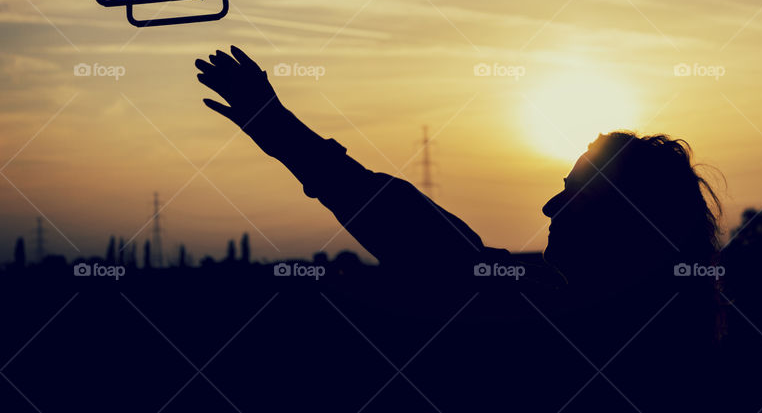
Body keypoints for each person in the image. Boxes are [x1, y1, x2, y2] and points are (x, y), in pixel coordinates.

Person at [196, 46, 725, 411]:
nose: (549, 207)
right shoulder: (669, 347)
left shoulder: (572, 333)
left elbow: (423, 241)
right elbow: (432, 242)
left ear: (624, 223)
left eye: (575, 193)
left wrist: (278, 129)